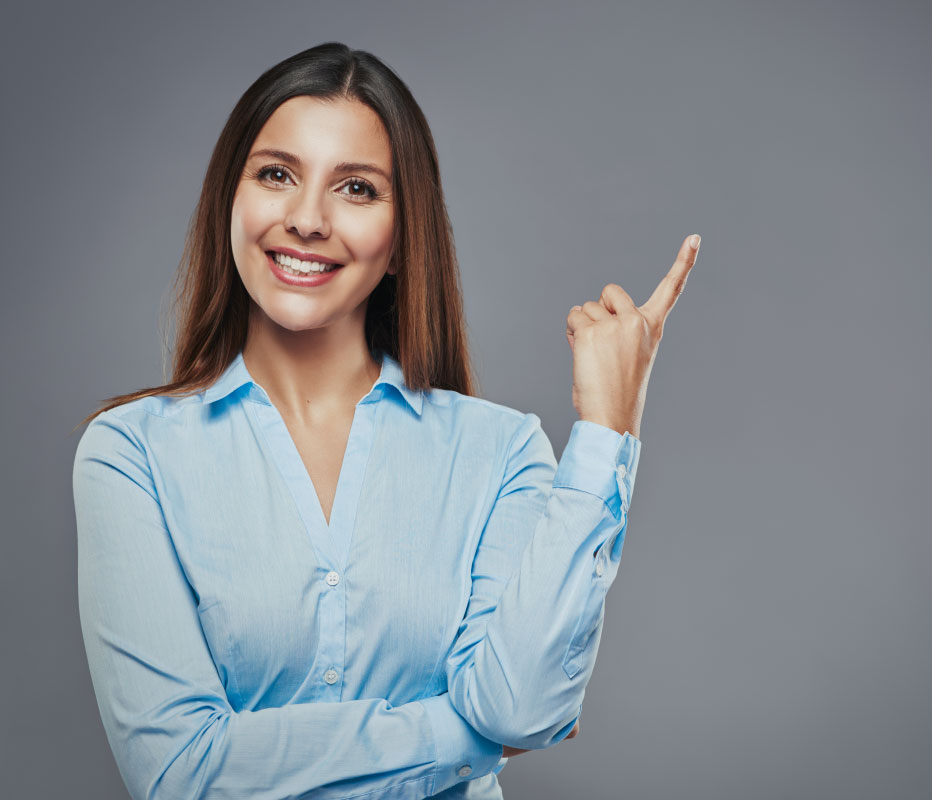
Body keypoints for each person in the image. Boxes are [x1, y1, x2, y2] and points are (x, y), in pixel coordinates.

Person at [71, 42, 699, 800]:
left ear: (403, 239)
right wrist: (468, 734)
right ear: (229, 202)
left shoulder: (500, 451)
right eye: (277, 174)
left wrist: (607, 430)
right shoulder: (129, 453)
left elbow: (524, 704)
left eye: (357, 189)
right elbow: (181, 774)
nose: (307, 219)